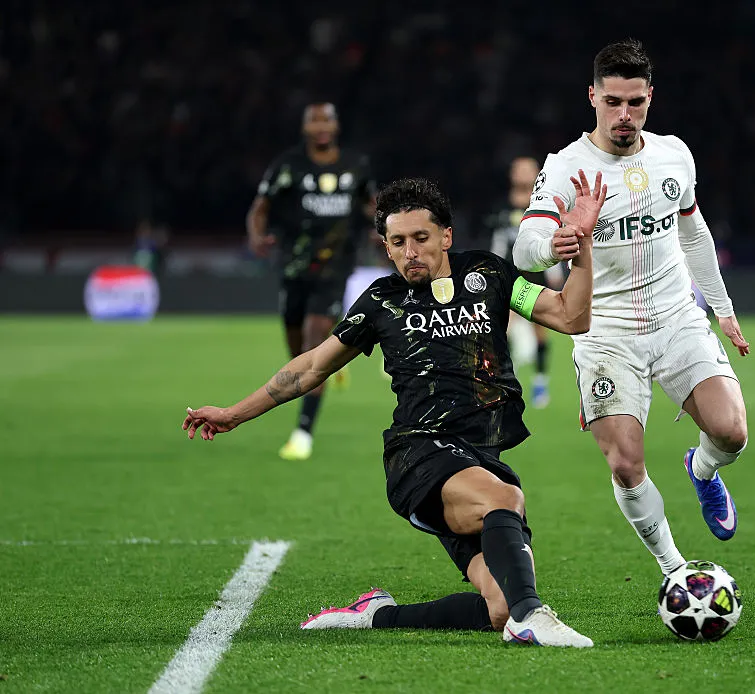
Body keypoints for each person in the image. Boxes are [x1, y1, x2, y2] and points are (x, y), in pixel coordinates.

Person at [183, 173, 607, 647]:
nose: (410, 252)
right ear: (385, 246)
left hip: (479, 456)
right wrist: (234, 414)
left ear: (446, 236)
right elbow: (310, 367)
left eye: (421, 239)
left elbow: (573, 316)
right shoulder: (382, 300)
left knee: (498, 607)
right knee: (503, 499)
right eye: (398, 242)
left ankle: (376, 615)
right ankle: (536, 616)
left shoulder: (489, 275)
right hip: (418, 454)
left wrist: (583, 248)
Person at [513, 39, 751, 580]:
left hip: (676, 317)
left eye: (636, 103)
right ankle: (676, 573)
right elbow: (523, 247)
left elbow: (694, 234)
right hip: (605, 332)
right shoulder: (567, 167)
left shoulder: (673, 154)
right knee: (625, 463)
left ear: (650, 98)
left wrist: (722, 308)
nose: (625, 115)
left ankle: (704, 468)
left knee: (732, 431)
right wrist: (562, 240)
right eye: (613, 102)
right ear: (592, 96)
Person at [246, 102, 376, 461]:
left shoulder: (355, 166)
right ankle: (334, 362)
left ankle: (303, 433)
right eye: (314, 120)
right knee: (296, 352)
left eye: (327, 120)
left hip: (335, 267)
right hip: (294, 266)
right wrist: (257, 236)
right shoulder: (289, 166)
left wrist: (383, 227)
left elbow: (371, 203)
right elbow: (260, 207)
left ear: (336, 127)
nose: (321, 126)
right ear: (305, 128)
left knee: (312, 345)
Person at [486, 156, 562, 408]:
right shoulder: (502, 208)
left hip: (538, 274)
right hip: (510, 274)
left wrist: (555, 274)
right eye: (518, 169)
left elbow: (553, 237)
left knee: (540, 330)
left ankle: (541, 381)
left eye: (528, 169)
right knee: (504, 327)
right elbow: (497, 243)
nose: (522, 173)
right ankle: (510, 377)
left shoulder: (544, 204)